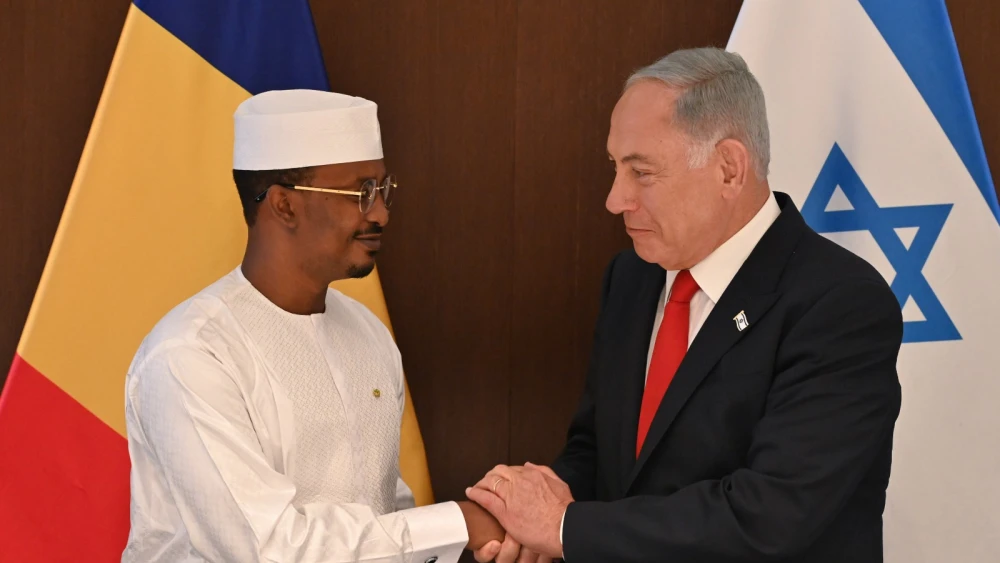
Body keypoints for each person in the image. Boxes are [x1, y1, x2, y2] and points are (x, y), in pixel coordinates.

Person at [467, 47, 903, 563]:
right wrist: (524, 514)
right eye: (614, 167)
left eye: (642, 173)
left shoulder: (840, 304)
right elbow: (600, 454)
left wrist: (566, 527)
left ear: (728, 169)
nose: (614, 199)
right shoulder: (632, 276)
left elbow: (768, 517)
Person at [122, 89, 504, 562]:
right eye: (360, 193)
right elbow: (265, 549)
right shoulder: (191, 355)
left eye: (384, 190)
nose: (381, 213)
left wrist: (476, 528)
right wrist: (455, 524)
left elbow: (384, 512)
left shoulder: (367, 333)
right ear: (284, 206)